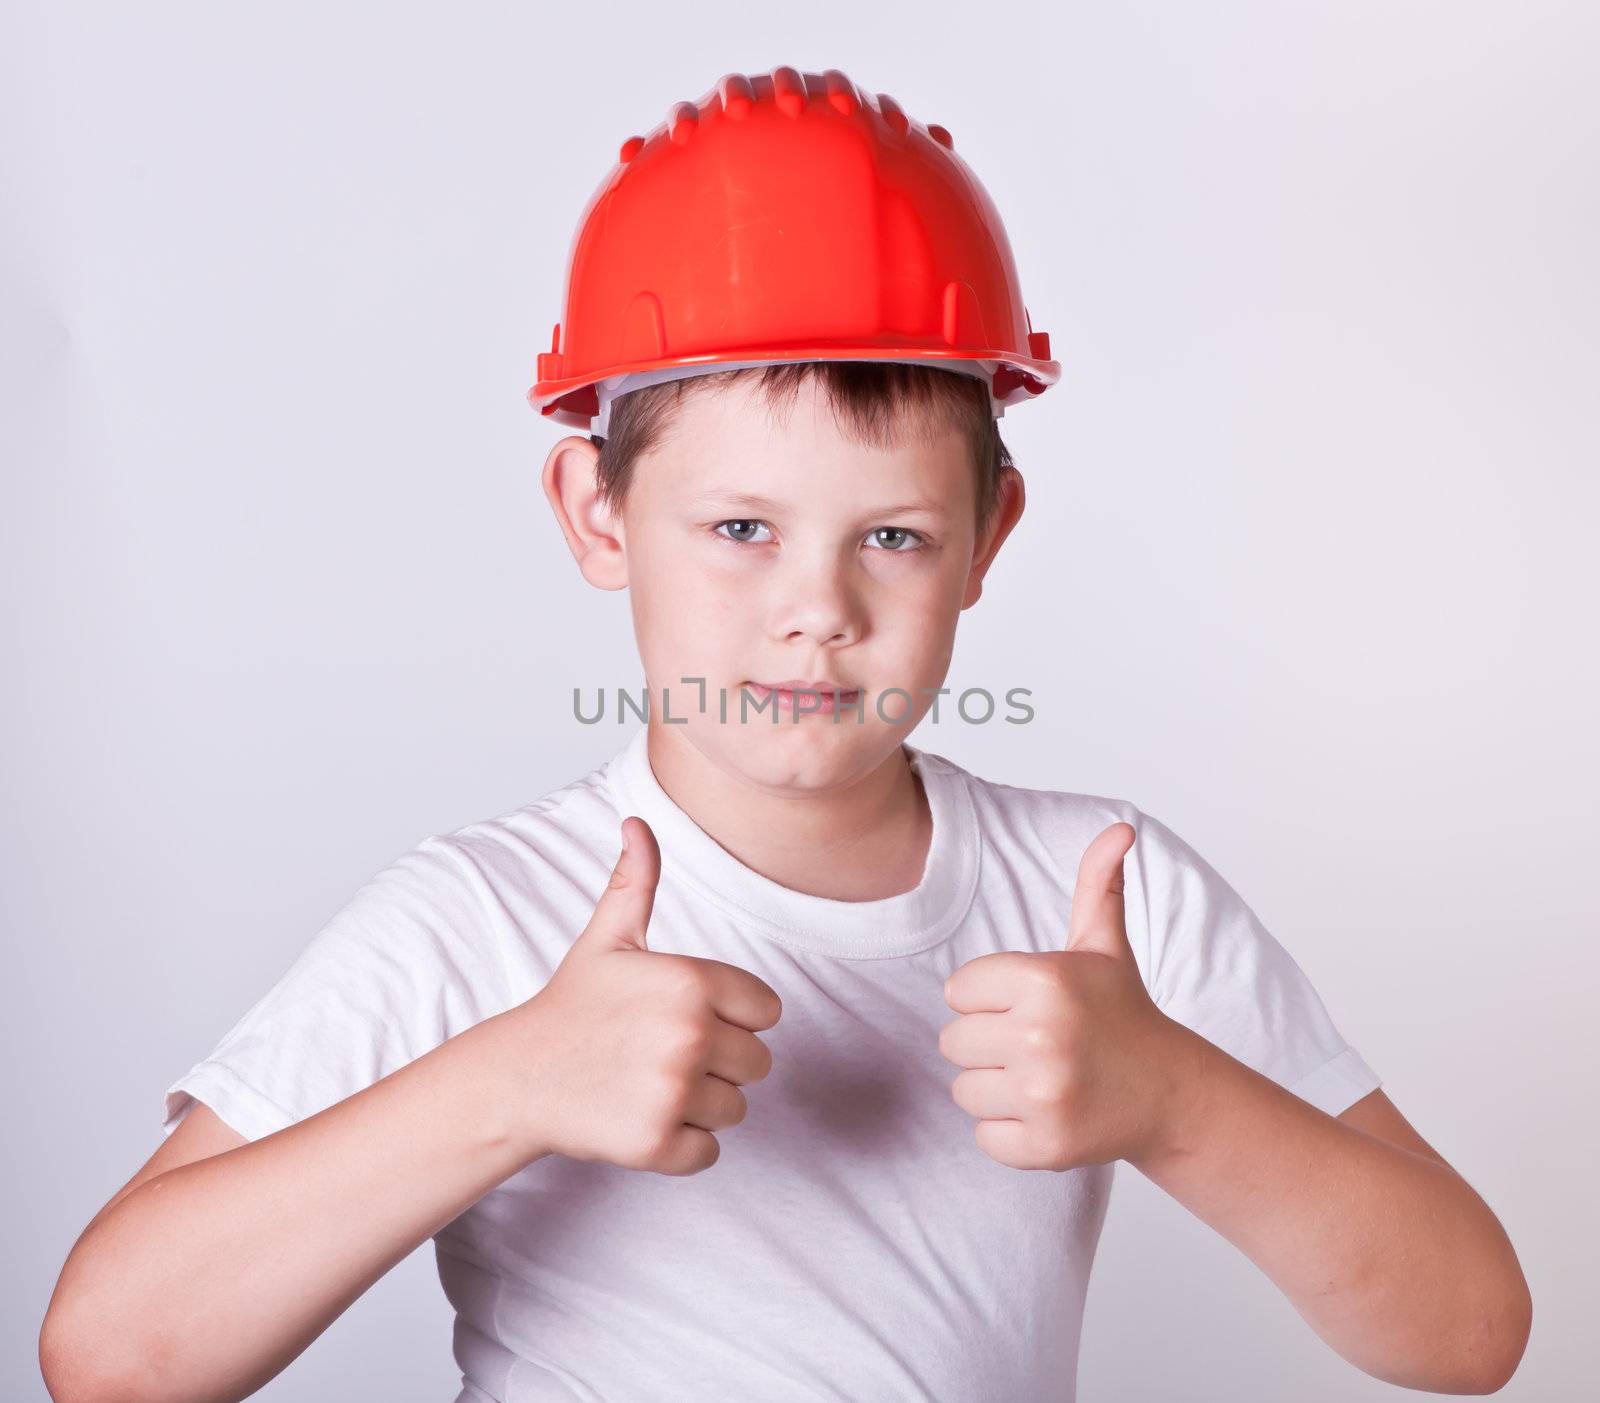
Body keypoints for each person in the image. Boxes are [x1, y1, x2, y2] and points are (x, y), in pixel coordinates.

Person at [40, 67, 1530, 1402]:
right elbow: (111, 1360)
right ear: (597, 513)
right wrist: (505, 1085)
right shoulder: (487, 923)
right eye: (741, 526)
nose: (817, 610)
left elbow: (1469, 1335)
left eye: (891, 534)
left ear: (987, 536)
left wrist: (1181, 1099)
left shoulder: (1106, 903)